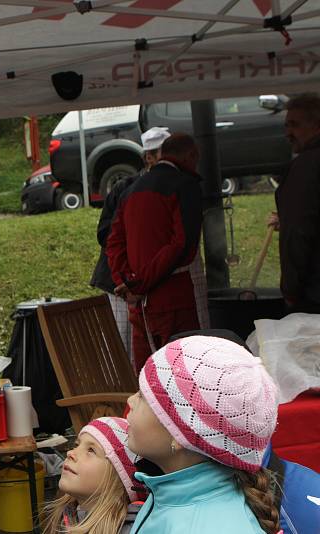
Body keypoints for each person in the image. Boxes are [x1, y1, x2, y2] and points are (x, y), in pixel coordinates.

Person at [126, 335, 280, 533]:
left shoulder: (202, 525)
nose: (130, 401)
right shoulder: (175, 495)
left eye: (142, 397)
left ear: (181, 433)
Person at [106, 133, 203, 372]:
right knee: (182, 373)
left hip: (139, 303)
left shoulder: (131, 189)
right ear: (191, 156)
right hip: (173, 297)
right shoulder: (186, 185)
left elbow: (114, 242)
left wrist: (125, 282)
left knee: (147, 375)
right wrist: (137, 284)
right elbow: (181, 245)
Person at [90, 127, 171, 359]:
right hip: (118, 280)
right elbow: (105, 234)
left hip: (149, 280)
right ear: (149, 158)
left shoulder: (170, 186)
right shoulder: (125, 188)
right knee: (122, 348)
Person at [45, 417, 146, 534]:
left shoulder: (135, 529)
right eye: (76, 445)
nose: (70, 453)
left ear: (120, 479)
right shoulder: (64, 517)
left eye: (91, 450)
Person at [268, 93, 320, 313]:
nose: (288, 133)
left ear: (317, 125)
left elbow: (297, 232)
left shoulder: (306, 169)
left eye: (295, 125)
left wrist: (291, 289)